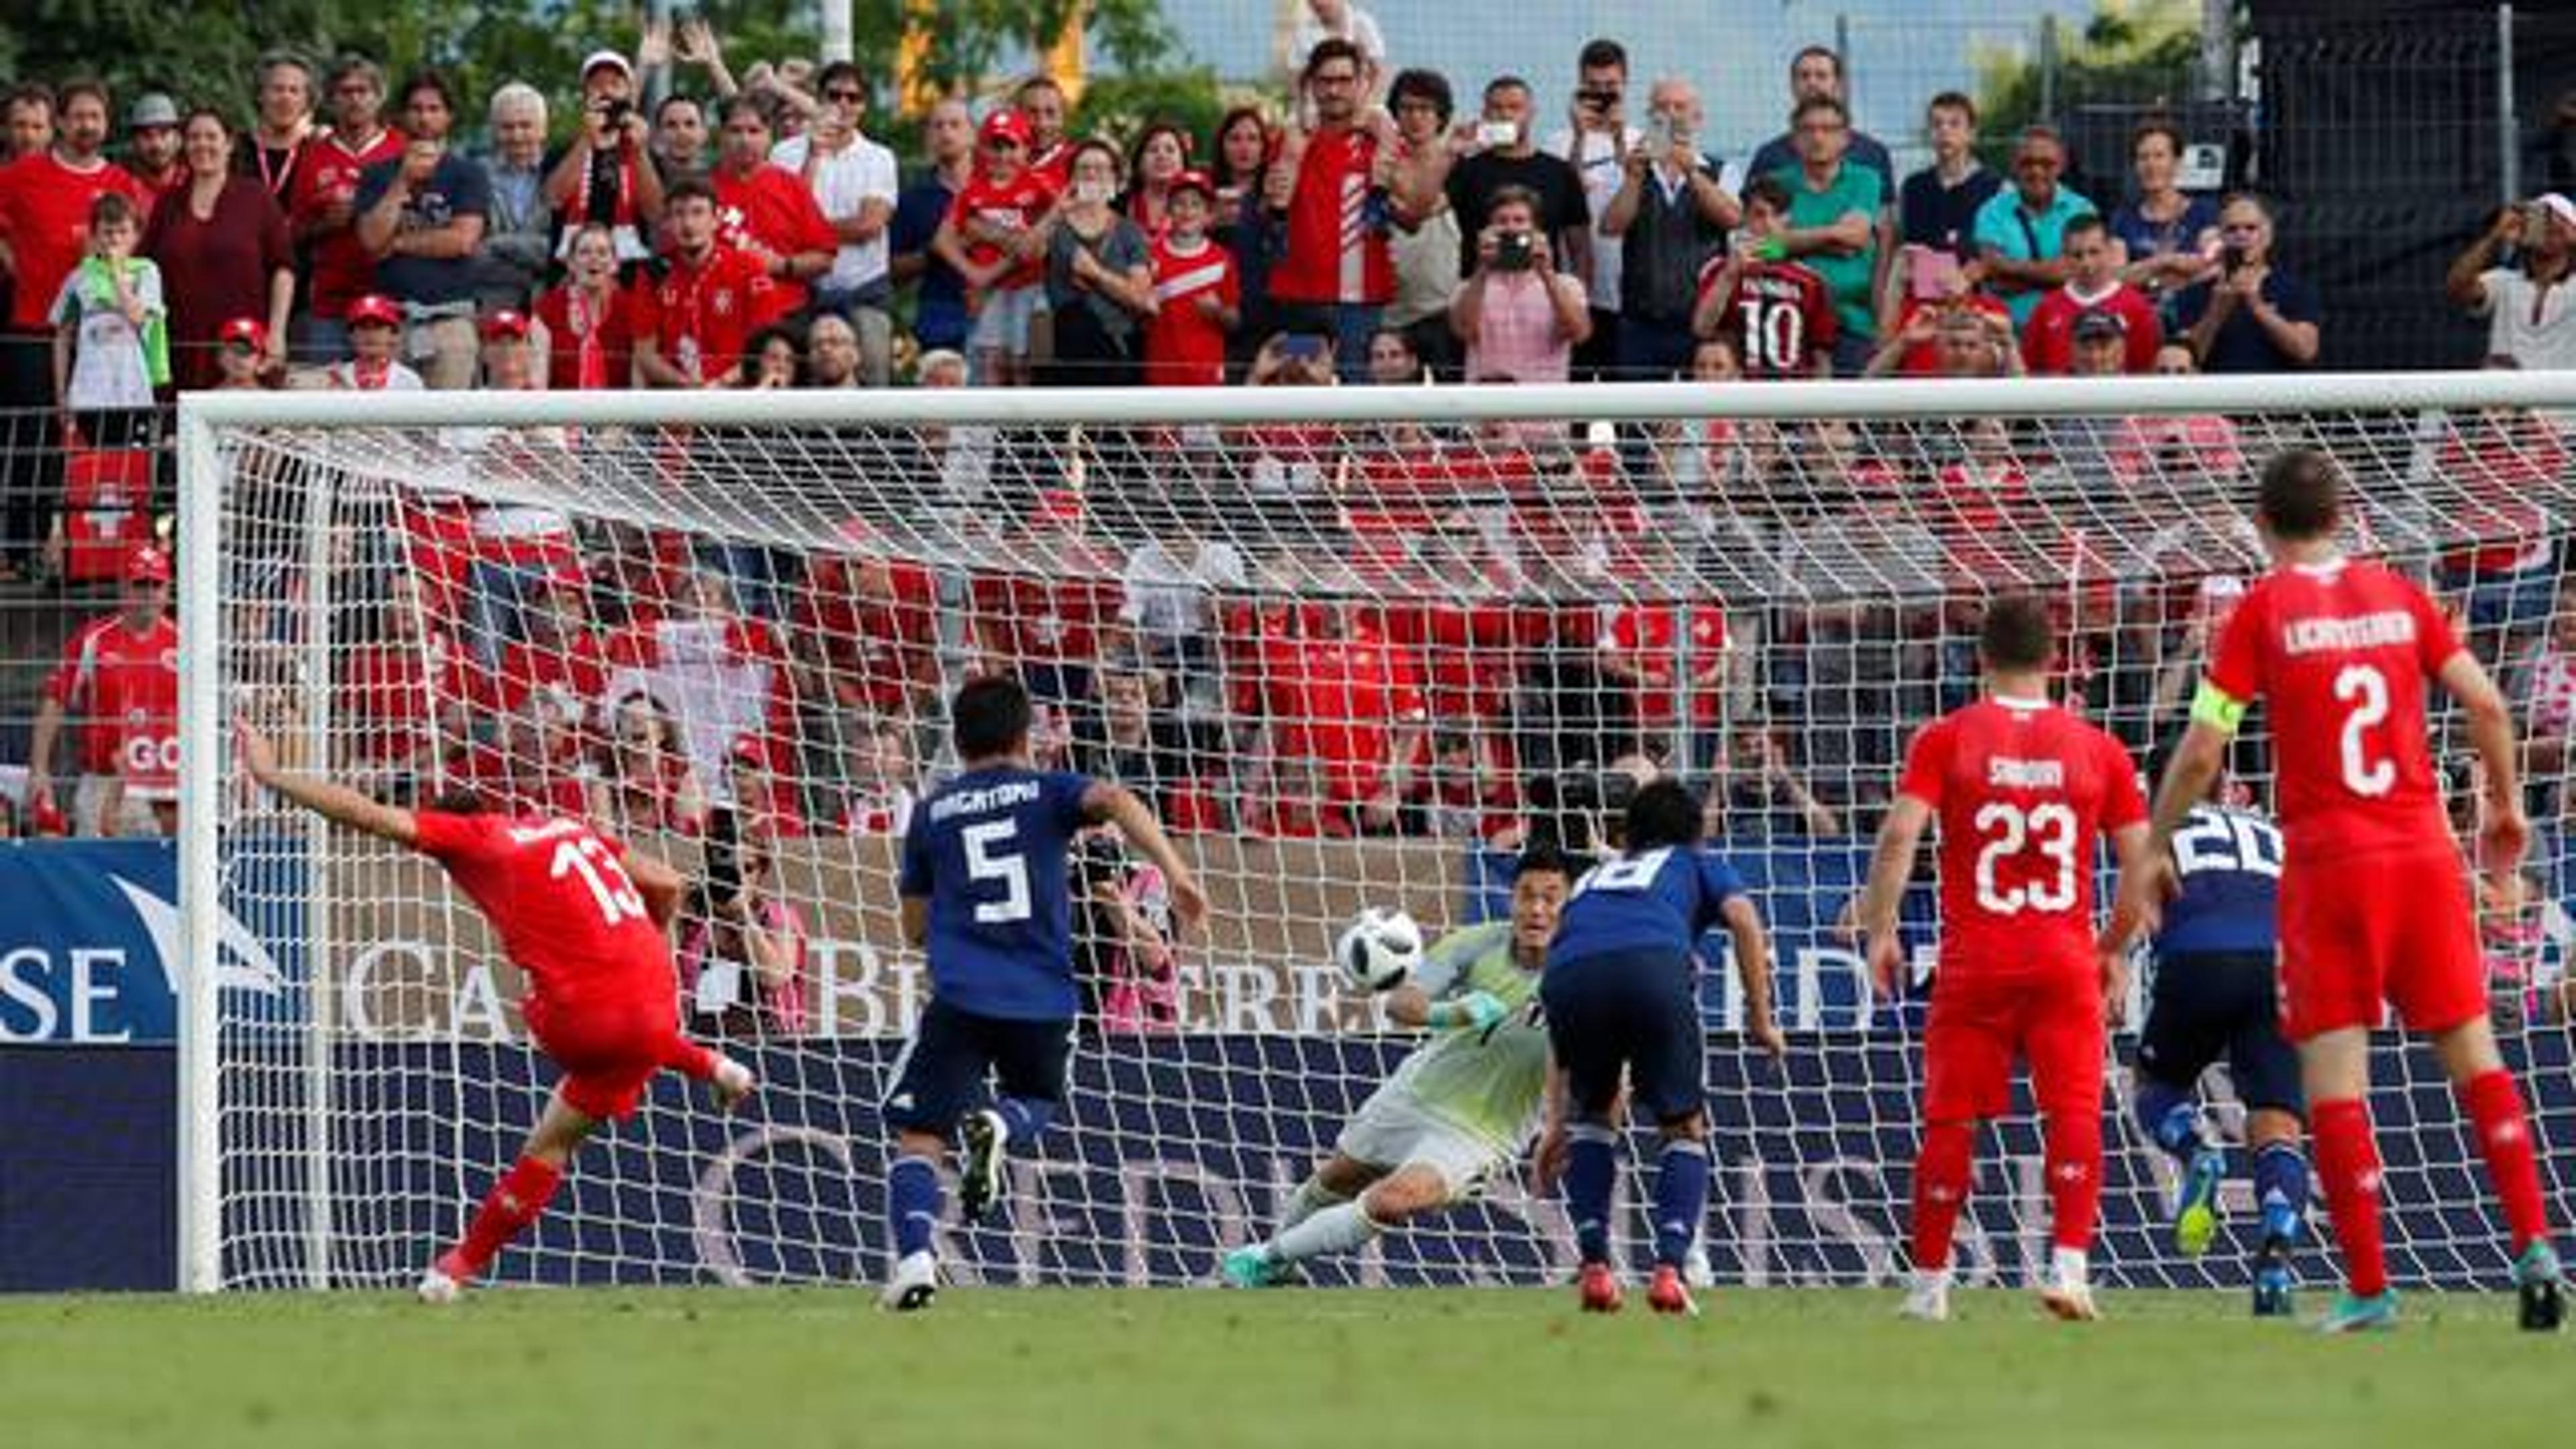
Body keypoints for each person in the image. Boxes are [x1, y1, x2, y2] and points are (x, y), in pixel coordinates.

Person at [2122, 448, 2565, 1333]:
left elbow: (2206, 749)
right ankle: (2536, 1248)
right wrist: (2508, 809)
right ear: (2344, 517)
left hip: (2330, 865)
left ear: (2262, 523)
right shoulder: (2401, 598)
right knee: (2476, 1059)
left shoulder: (2262, 610)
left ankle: (2370, 1288)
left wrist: (2153, 846)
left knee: (2336, 1079)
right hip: (2424, 854)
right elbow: (2486, 706)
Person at [235, 719, 757, 1301]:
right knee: (623, 1053)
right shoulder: (566, 828)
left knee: (549, 1141)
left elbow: (367, 815)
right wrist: (648, 947)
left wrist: (272, 774)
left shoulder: (473, 840)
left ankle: (451, 1271)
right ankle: (713, 1065)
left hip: (586, 1018)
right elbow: (665, 883)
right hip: (654, 994)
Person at [1855, 594, 2151, 1324]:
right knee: (2075, 1110)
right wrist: (2112, 948)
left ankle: (1929, 1289)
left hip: (1976, 960)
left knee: (1952, 1122)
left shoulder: (1946, 737)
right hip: (2062, 957)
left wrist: (1880, 928)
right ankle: (2070, 1270)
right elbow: (2144, 869)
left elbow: (1900, 838)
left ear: (1980, 659)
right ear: (2055, 660)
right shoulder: (2099, 749)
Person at [878, 675, 1207, 1310]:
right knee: (1034, 1097)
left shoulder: (931, 813)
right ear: (1025, 735)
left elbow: (915, 928)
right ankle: (999, 1124)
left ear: (957, 738)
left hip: (961, 994)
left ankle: (917, 1259)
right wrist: (1177, 872)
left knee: (920, 1137)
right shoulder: (1047, 792)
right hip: (1044, 994)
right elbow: (1113, 798)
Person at [1224, 843, 1576, 1285]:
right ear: (1512, 899)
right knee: (1338, 1177)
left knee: (1394, 1201)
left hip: (1481, 1133)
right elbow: (1403, 1001)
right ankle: (1278, 1268)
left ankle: (1265, 1256)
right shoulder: (1476, 943)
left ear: (1571, 905)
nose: (1536, 910)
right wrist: (1451, 1012)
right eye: (1526, 895)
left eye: (1550, 897)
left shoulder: (1584, 972)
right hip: (1417, 1093)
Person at [1537, 778, 1784, 1316]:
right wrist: (1761, 1020)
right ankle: (1671, 1270)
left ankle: (1597, 1267)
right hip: (1650, 967)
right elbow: (1743, 919)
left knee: (1594, 1118)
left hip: (1568, 977)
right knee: (1683, 1126)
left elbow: (1559, 990)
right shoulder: (1693, 862)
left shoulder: (1594, 878)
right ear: (1695, 835)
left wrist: (1555, 1121)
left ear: (1629, 836)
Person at [2098, 770, 2309, 1318]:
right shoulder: (2268, 832)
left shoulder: (2160, 829)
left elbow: (2140, 910)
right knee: (2277, 1122)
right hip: (2279, 966)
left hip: (2198, 958)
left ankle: (2197, 1149)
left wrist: (2114, 959)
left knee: (2156, 1083)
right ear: (2227, 791)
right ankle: (2274, 1264)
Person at [0, 78, 140, 580]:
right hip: (34, 328)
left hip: (104, 339)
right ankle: (20, 552)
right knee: (31, 443)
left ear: (106, 123)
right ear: (60, 121)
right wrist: (11, 258)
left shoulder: (123, 182)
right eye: (77, 116)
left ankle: (96, 554)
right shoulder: (24, 175)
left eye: (95, 117)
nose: (86, 125)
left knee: (100, 447)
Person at [1266, 38, 1396, 380]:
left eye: (1343, 80)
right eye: (1325, 81)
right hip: (1299, 299)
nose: (1334, 90)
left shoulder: (1381, 140)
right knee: (1300, 394)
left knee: (1357, 398)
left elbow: (1412, 204)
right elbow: (1268, 207)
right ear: (1311, 85)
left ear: (1360, 84)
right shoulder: (1291, 139)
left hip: (1361, 304)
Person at [28, 543, 178, 837]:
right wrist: (39, 769)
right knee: (94, 877)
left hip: (164, 788)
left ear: (168, 590)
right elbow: (55, 701)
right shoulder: (93, 639)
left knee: (164, 880)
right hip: (102, 781)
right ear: (124, 588)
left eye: (156, 584)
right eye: (140, 584)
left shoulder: (185, 641)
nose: (148, 593)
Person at [354, 70, 492, 389]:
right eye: (416, 109)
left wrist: (398, 242)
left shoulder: (468, 173)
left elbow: (462, 240)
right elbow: (371, 240)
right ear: (402, 116)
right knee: (387, 428)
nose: (424, 118)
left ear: (449, 117)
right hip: (388, 322)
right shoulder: (376, 174)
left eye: (434, 109)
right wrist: (402, 180)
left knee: (448, 427)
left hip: (451, 318)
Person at [1600, 76, 1737, 381]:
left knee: (1698, 421)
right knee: (1638, 424)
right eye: (1662, 107)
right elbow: (1610, 227)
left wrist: (1692, 171)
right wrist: (1634, 178)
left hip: (1700, 324)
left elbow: (1732, 220)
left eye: (1680, 107)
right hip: (1640, 323)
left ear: (1697, 118)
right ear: (1651, 117)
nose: (1672, 114)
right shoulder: (1629, 168)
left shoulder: (1720, 169)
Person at [146, 107, 292, 390]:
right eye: (194, 137)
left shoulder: (256, 197)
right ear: (183, 145)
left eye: (211, 136)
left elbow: (283, 268)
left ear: (229, 143)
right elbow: (146, 267)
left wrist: (277, 332)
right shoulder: (168, 203)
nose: (202, 145)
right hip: (181, 345)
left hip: (244, 347)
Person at [772, 61, 898, 384]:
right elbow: (784, 228)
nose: (843, 104)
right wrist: (814, 155)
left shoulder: (879, 156)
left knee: (874, 395)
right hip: (801, 291)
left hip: (864, 290)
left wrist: (810, 229)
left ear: (864, 106)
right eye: (834, 95)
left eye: (853, 98)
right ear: (818, 98)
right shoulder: (785, 153)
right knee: (798, 394)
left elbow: (869, 225)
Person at [288, 56, 404, 362]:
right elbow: (294, 231)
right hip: (331, 303)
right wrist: (326, 224)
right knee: (329, 400)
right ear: (332, 100)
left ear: (379, 97)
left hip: (391, 300)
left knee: (389, 403)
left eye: (363, 91)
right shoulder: (313, 156)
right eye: (346, 92)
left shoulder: (400, 149)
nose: (354, 99)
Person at [935, 108, 1058, 388]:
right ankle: (992, 427)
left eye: (1011, 147)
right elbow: (942, 240)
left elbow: (1061, 217)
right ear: (983, 150)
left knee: (1021, 358)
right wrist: (973, 273)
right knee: (990, 357)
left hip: (1029, 284)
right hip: (992, 290)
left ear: (1026, 149)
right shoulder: (972, 191)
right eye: (995, 147)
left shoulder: (1037, 183)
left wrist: (1034, 239)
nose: (1003, 156)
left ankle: (1022, 428)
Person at [1544, 39, 1642, 379]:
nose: (1602, 97)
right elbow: (1561, 201)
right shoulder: (1558, 142)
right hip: (1579, 292)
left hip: (1629, 295)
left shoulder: (1642, 138)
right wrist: (1579, 137)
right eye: (1593, 88)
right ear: (1580, 86)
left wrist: (1617, 139)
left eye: (1611, 88)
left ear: (1626, 85)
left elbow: (1649, 193)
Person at [1768, 95, 1883, 374]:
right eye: (1808, 129)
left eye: (1828, 129)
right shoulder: (1775, 184)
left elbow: (1855, 237)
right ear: (1794, 138)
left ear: (1845, 138)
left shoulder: (1865, 179)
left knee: (1851, 414)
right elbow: (1764, 248)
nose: (1818, 137)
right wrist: (1833, 235)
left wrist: (1792, 241)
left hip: (1852, 321)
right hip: (1790, 319)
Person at [633, 179, 783, 388]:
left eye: (698, 213)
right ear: (667, 223)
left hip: (736, 393)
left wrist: (721, 383)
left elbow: (771, 349)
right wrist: (687, 385)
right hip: (676, 396)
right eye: (679, 214)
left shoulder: (748, 268)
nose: (688, 224)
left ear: (716, 219)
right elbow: (645, 354)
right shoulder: (653, 273)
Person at [50, 193, 165, 455]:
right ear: (94, 236)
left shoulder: (146, 272)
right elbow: (62, 334)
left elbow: (138, 317)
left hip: (133, 391)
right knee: (93, 471)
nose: (115, 239)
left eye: (123, 232)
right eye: (107, 232)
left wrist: (115, 274)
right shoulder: (79, 278)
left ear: (136, 236)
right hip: (89, 392)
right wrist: (62, 393)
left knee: (133, 470)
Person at [707, 96, 836, 321]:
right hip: (719, 314)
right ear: (721, 135)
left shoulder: (792, 186)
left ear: (770, 137)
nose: (745, 140)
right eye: (735, 131)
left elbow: (825, 257)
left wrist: (782, 265)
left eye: (754, 131)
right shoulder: (701, 189)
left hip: (786, 316)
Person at [1693, 175, 1834, 380]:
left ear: (1788, 220)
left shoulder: (1810, 280)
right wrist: (1729, 276)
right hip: (1740, 396)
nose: (1768, 224)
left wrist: (1820, 408)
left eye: (1776, 216)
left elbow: (1821, 354)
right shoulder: (1718, 269)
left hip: (1791, 397)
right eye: (1759, 215)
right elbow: (1702, 329)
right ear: (1745, 218)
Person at [1040, 140, 1156, 386]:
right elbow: (1023, 255)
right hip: (1065, 359)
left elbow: (1141, 300)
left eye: (1101, 168)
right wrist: (1055, 212)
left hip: (1116, 354)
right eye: (1084, 168)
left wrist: (1097, 275)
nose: (1092, 174)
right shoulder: (1056, 228)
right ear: (1071, 177)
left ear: (1114, 179)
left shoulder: (1129, 231)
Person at [1450, 185, 1589, 383]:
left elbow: (1578, 334)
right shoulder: (1468, 288)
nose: (1511, 228)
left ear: (1537, 230)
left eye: (1520, 220)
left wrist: (1547, 275)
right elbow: (1464, 332)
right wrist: (1481, 268)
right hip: (1486, 404)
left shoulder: (1567, 285)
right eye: (1502, 221)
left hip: (1543, 404)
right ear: (1488, 230)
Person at [2170, 193, 2320, 373]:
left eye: (2251, 228)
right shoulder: (2194, 294)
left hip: (2276, 398)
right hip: (2218, 397)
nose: (2241, 235)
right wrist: (2216, 313)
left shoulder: (2295, 290)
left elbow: (2305, 350)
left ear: (2268, 236)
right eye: (2232, 229)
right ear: (2221, 238)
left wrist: (2257, 306)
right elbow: (2183, 362)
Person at [543, 49, 664, 268]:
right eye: (597, 85)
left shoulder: (643, 151)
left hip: (631, 267)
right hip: (571, 266)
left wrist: (639, 152)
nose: (606, 91)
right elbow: (554, 199)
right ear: (585, 96)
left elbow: (655, 212)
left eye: (615, 84)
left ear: (628, 93)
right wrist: (585, 141)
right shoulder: (562, 150)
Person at [1972, 125, 2097, 331]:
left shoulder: (2082, 210)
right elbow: (1992, 269)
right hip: (2005, 333)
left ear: (2062, 165)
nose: (2036, 171)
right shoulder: (1992, 210)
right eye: (2027, 163)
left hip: (2067, 331)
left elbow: (2077, 271)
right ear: (2014, 164)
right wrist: (2053, 277)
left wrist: (2012, 270)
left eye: (2046, 164)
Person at [1743, 46, 1897, 211]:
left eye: (1821, 76)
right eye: (1804, 76)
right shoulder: (1769, 156)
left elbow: (1885, 218)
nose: (1812, 83)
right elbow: (1753, 219)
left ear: (1837, 84)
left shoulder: (1872, 153)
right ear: (1792, 85)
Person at [2446, 193, 2576, 372]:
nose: (2549, 227)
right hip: (2508, 396)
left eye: (2561, 220)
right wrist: (2495, 237)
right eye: (2540, 221)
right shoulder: (2504, 281)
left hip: (2560, 396)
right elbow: (2458, 288)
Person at [2021, 213, 2161, 374]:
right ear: (2065, 256)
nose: (2086, 263)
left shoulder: (2137, 307)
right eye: (2077, 255)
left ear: (2109, 251)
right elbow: (2032, 370)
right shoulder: (2046, 308)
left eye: (2094, 252)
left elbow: (2145, 372)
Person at [890, 97, 974, 360]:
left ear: (974, 134)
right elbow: (893, 271)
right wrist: (934, 253)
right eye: (938, 126)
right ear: (928, 137)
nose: (946, 133)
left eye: (955, 125)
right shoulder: (913, 198)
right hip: (938, 313)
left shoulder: (1000, 187)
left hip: (997, 305)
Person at [2110, 118, 2220, 317]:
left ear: (2176, 162)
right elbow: (2116, 278)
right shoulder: (2123, 218)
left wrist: (2145, 275)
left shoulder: (2205, 212)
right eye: (2143, 157)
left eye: (2159, 156)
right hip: (2139, 321)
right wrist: (2165, 262)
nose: (2151, 165)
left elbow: (2211, 266)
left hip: (2193, 321)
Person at [1142, 170, 1236, 387]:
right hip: (1161, 374)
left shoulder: (1222, 258)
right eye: (1180, 203)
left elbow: (1234, 320)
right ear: (1168, 210)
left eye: (1196, 204)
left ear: (1208, 213)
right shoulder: (1150, 254)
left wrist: (1218, 312)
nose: (1188, 211)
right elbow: (1139, 313)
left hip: (1207, 376)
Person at [474, 83, 554, 313]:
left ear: (543, 129)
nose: (517, 136)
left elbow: (562, 250)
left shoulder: (561, 172)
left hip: (550, 302)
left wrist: (498, 244)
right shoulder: (476, 175)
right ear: (494, 130)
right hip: (490, 303)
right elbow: (474, 255)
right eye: (507, 127)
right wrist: (535, 259)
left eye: (526, 126)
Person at [1898, 92, 1999, 266]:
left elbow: (1997, 252)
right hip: (1925, 286)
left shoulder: (1995, 187)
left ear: (1971, 134)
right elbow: (1911, 246)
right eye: (1937, 124)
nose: (1945, 131)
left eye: (1954, 124)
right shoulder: (1913, 187)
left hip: (1977, 287)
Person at [535, 221, 635, 389]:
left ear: (615, 264)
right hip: (561, 411)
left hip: (618, 412)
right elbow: (538, 377)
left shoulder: (631, 309)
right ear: (571, 264)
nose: (594, 258)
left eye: (603, 253)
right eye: (584, 252)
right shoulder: (547, 309)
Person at [236, 52, 317, 204]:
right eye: (278, 89)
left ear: (306, 100)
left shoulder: (318, 150)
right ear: (260, 95)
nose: (286, 98)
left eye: (294, 91)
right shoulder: (234, 150)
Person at [325, 292, 423, 390]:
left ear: (393, 335)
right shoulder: (336, 378)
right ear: (351, 335)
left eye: (378, 327)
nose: (370, 334)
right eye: (363, 327)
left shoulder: (409, 381)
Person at [121, 93, 182, 209]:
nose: (156, 144)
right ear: (134, 143)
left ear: (178, 138)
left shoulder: (195, 184)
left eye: (164, 133)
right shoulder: (122, 189)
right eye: (146, 135)